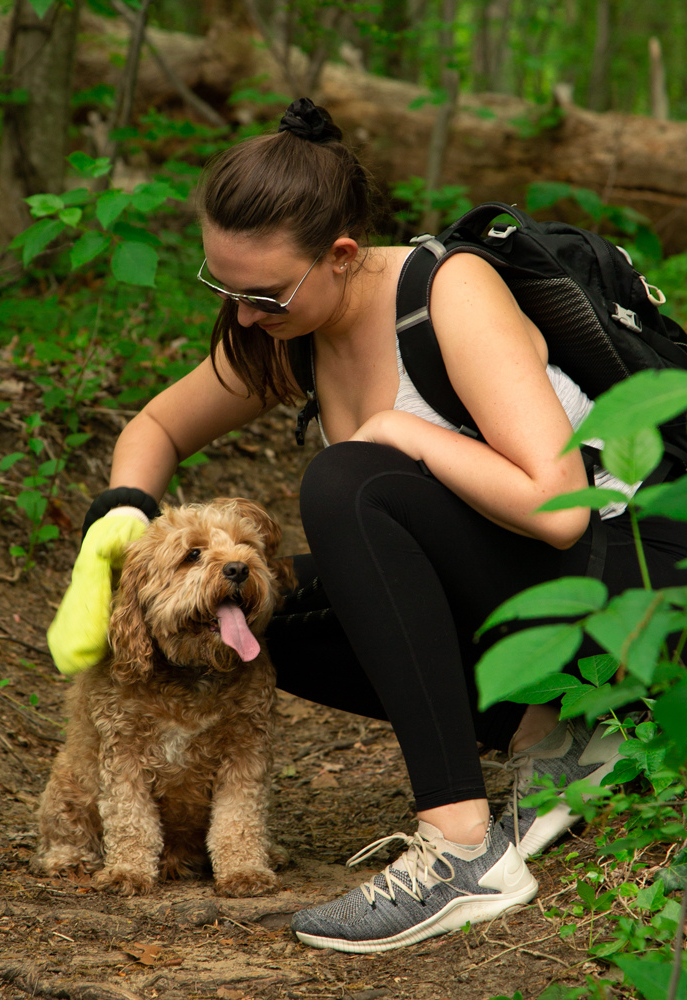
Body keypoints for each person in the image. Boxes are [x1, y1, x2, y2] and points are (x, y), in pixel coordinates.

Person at [47, 97, 687, 954]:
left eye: (262, 293)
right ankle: (556, 728)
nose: (242, 315)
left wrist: (405, 429)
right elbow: (156, 427)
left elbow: (556, 504)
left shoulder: (447, 292)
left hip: (628, 583)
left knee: (349, 482)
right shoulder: (291, 325)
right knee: (261, 616)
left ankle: (464, 851)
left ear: (341, 256)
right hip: (532, 588)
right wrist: (119, 518)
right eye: (224, 288)